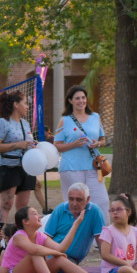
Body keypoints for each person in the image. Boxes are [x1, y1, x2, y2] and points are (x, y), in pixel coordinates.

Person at [1, 206, 117, 273]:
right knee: (35, 253)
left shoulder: (39, 236)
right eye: (35, 213)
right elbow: (34, 249)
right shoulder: (19, 236)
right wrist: (55, 252)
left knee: (59, 259)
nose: (40, 216)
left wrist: (76, 224)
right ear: (25, 221)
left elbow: (61, 249)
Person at [53, 85, 109, 222]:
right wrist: (74, 144)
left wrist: (98, 143)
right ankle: (73, 236)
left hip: (94, 167)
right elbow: (57, 146)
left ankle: (102, 236)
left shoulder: (95, 117)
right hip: (71, 168)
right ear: (70, 101)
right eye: (77, 98)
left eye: (83, 98)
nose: (81, 101)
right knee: (75, 205)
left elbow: (103, 140)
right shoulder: (64, 120)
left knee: (102, 201)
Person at [0, 90, 36, 222]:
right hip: (9, 168)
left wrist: (32, 145)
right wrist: (18, 145)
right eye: (25, 103)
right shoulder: (3, 123)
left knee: (23, 207)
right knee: (6, 205)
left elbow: (25, 143)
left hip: (26, 168)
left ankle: (19, 236)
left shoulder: (25, 124)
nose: (27, 107)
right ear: (16, 104)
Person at [43, 182, 106, 264]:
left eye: (79, 200)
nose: (74, 203)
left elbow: (101, 241)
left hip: (71, 259)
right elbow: (46, 237)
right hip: (53, 255)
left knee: (64, 261)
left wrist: (108, 264)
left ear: (87, 199)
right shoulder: (61, 209)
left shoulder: (94, 211)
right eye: (71, 199)